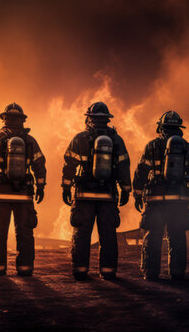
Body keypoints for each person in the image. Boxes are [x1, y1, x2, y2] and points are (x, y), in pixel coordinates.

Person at [61, 102, 131, 280]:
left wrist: (66, 187)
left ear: (89, 118)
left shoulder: (80, 138)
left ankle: (80, 270)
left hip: (84, 195)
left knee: (82, 233)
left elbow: (69, 165)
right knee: (108, 234)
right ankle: (108, 271)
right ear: (107, 119)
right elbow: (123, 167)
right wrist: (126, 190)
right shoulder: (116, 140)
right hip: (108, 195)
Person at [133, 110, 189, 281]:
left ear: (161, 127)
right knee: (177, 237)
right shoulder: (186, 147)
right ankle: (177, 272)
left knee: (153, 238)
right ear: (179, 128)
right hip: (179, 203)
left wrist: (137, 194)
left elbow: (141, 172)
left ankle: (150, 273)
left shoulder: (152, 146)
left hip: (155, 202)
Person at [0, 103, 45, 276]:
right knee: (25, 232)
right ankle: (25, 269)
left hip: (0, 192)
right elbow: (39, 165)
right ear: (22, 120)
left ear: (4, 119)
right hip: (24, 193)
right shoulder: (30, 141)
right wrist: (40, 187)